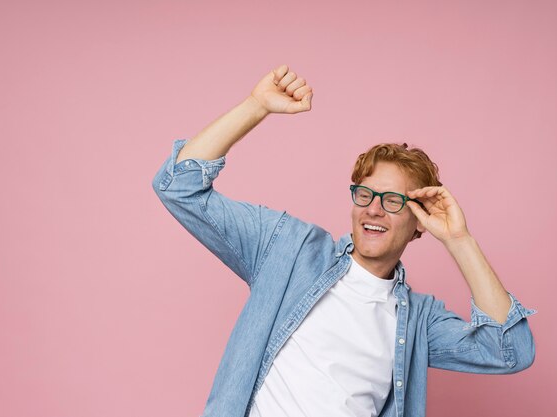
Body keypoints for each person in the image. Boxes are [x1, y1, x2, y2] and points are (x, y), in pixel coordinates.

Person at [152, 64, 536, 417]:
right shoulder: (289, 248)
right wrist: (257, 106)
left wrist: (459, 240)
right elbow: (178, 187)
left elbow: (509, 352)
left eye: (392, 201)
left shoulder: (417, 321)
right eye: (365, 195)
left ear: (420, 222)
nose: (373, 209)